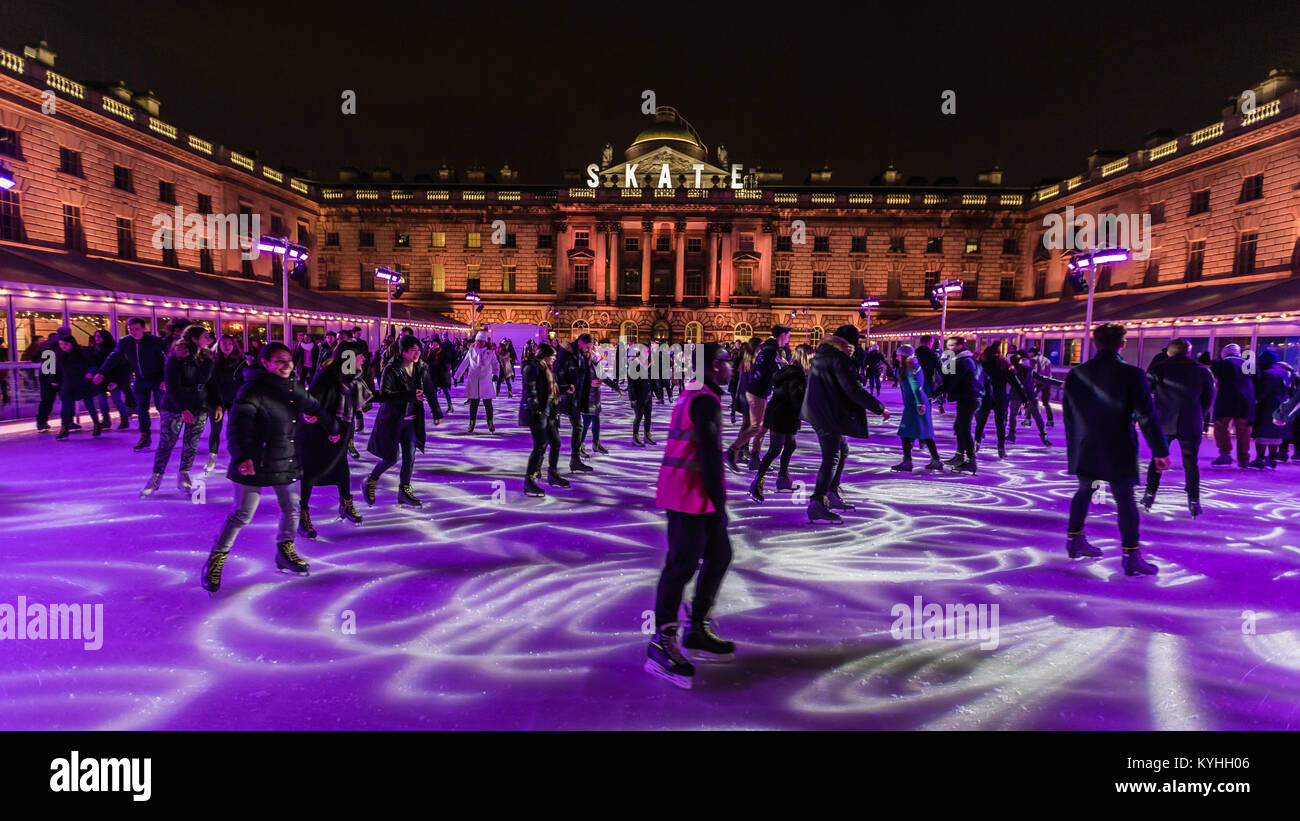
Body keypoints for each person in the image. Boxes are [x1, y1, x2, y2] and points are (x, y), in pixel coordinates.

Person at [646, 343, 735, 689]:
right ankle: (661, 641)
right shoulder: (704, 400)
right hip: (688, 493)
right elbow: (710, 456)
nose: (733, 368)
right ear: (714, 366)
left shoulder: (696, 393)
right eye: (728, 362)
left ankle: (697, 628)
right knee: (681, 565)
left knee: (720, 554)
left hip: (693, 492)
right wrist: (720, 501)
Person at [201, 342, 321, 594]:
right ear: (264, 363)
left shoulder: (295, 386)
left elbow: (311, 405)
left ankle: (284, 552)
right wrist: (242, 456)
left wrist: (315, 415)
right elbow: (236, 426)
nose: (286, 364)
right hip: (254, 461)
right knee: (243, 513)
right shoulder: (252, 389)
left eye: (288, 359)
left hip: (286, 458)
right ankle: (216, 558)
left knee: (292, 508)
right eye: (278, 360)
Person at [1062, 323, 1169, 576]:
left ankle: (1075, 540)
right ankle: (1131, 555)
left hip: (1086, 442)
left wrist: (1075, 445)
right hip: (1118, 442)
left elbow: (1070, 414)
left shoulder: (1077, 373)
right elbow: (1147, 415)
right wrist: (1160, 450)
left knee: (1084, 491)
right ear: (1123, 343)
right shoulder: (1132, 374)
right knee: (1125, 499)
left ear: (1095, 343)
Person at [801, 325, 890, 523]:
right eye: (855, 343)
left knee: (842, 450)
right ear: (848, 342)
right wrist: (878, 407)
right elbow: (852, 389)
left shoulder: (823, 353)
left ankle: (831, 492)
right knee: (832, 456)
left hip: (820, 410)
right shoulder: (838, 358)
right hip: (827, 413)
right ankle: (817, 502)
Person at [298, 340, 368, 536]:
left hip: (342, 429)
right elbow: (311, 404)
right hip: (320, 432)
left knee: (341, 468)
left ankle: (346, 504)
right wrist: (330, 428)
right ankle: (302, 513)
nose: (363, 358)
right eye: (360, 355)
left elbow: (363, 401)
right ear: (349, 358)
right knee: (310, 472)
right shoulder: (327, 377)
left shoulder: (353, 378)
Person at [1141, 338, 1213, 517]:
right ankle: (1193, 500)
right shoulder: (1202, 371)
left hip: (1163, 422)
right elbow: (1208, 398)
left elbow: (1144, 393)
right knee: (1191, 463)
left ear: (1169, 352)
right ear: (1189, 352)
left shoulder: (1158, 368)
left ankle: (1150, 494)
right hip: (1191, 423)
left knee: (1157, 459)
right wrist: (1198, 415)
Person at [143, 326, 216, 496]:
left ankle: (184, 474)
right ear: (194, 339)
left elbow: (211, 384)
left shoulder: (207, 359)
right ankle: (156, 476)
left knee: (191, 442)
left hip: (199, 406)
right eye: (205, 336)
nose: (209, 338)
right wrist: (182, 408)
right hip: (175, 407)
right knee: (167, 441)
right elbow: (172, 386)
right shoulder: (176, 358)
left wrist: (217, 403)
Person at [364, 335, 432, 508]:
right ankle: (371, 480)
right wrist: (410, 395)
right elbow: (385, 396)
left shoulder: (418, 368)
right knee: (390, 458)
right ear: (404, 352)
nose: (417, 354)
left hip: (411, 420)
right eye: (413, 350)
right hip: (393, 419)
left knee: (410, 456)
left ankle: (404, 491)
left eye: (419, 350)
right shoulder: (391, 369)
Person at [93, 317, 168, 451]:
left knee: (160, 407)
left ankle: (167, 435)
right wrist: (101, 372)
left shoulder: (155, 342)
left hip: (157, 379)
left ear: (144, 328)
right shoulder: (125, 342)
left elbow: (166, 360)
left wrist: (165, 379)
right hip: (140, 379)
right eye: (130, 329)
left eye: (136, 329)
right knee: (141, 408)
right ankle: (145, 436)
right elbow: (113, 357)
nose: (133, 332)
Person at [749, 343, 812, 501]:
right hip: (782, 415)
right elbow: (796, 399)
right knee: (775, 450)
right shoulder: (797, 376)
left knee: (790, 445)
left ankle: (783, 478)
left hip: (783, 414)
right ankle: (757, 482)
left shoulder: (789, 372)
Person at [727, 324, 789, 472]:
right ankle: (732, 451)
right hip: (757, 393)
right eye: (788, 336)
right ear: (782, 335)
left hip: (759, 392)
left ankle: (754, 457)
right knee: (755, 427)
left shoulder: (768, 349)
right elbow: (776, 373)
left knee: (762, 427)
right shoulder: (770, 351)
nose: (788, 339)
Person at [519, 343, 567, 496]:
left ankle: (552, 473)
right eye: (551, 356)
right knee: (539, 446)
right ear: (544, 355)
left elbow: (550, 388)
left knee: (555, 442)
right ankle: (529, 480)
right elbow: (530, 391)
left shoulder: (548, 369)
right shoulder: (532, 368)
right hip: (537, 412)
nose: (554, 359)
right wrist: (537, 409)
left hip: (549, 411)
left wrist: (565, 389)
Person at [891, 344, 943, 472]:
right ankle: (935, 460)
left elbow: (916, 387)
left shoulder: (911, 368)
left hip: (916, 404)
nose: (897, 357)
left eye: (898, 355)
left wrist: (920, 404)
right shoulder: (908, 367)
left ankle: (908, 461)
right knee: (922, 432)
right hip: (914, 403)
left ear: (903, 356)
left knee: (908, 432)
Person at [974, 344, 1027, 460]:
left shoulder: (983, 364)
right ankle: (1001, 448)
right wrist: (1024, 397)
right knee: (1000, 424)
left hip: (986, 397)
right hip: (1000, 397)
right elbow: (1015, 382)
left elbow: (975, 378)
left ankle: (976, 443)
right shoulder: (1005, 365)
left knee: (981, 422)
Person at [554, 333, 597, 473]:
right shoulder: (567, 353)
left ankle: (575, 460)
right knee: (550, 431)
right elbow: (557, 372)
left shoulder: (581, 355)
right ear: (580, 343)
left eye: (590, 347)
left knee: (578, 426)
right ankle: (541, 464)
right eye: (586, 347)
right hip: (563, 397)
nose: (588, 349)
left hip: (575, 397)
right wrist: (565, 386)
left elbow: (583, 374)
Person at [941, 337, 984, 473]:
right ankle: (960, 455)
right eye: (948, 345)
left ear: (960, 346)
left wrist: (936, 392)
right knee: (959, 426)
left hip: (969, 398)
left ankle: (971, 460)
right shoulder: (963, 359)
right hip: (968, 397)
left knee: (964, 428)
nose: (949, 347)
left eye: (952, 345)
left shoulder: (963, 361)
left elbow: (951, 379)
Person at [1209, 343, 1255, 468]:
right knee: (1243, 429)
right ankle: (1244, 459)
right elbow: (1256, 380)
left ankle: (1225, 454)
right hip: (1246, 400)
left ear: (1224, 353)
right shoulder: (1249, 364)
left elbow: (1211, 377)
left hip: (1226, 399)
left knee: (1221, 425)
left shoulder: (1222, 363)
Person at [206, 335, 244, 473]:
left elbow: (245, 380)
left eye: (229, 343)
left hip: (235, 399)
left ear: (234, 345)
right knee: (215, 429)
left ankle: (235, 455)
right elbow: (209, 382)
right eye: (223, 343)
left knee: (234, 429)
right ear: (218, 345)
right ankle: (212, 457)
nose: (226, 346)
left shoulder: (241, 361)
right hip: (217, 400)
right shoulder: (212, 361)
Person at [52, 334, 99, 440]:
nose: (63, 346)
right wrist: (55, 379)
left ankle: (96, 424)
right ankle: (64, 428)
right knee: (65, 408)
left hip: (83, 383)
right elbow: (58, 369)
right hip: (68, 384)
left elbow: (92, 364)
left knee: (89, 406)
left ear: (72, 344)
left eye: (66, 344)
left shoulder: (81, 353)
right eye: (61, 344)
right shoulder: (60, 355)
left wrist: (90, 373)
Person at [1250, 348, 1290, 469]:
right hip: (1283, 405)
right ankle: (1272, 459)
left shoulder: (1267, 373)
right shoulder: (1285, 372)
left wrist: (1256, 400)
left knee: (1262, 432)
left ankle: (1260, 458)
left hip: (1268, 405)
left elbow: (1264, 391)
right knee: (1276, 434)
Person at [1007, 352, 1056, 448]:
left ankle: (1012, 434)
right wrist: (1057, 382)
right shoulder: (1029, 369)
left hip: (1017, 394)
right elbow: (1041, 377)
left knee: (1013, 415)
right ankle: (1044, 435)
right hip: (1031, 394)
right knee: (1037, 415)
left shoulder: (1011, 371)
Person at [454, 331, 499, 433]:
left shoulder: (490, 352)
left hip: (486, 380)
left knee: (488, 404)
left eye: (482, 341)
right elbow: (464, 363)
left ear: (485, 341)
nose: (479, 343)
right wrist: (457, 375)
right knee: (474, 404)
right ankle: (471, 423)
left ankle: (490, 422)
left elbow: (496, 364)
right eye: (478, 340)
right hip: (473, 380)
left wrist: (496, 374)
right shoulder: (471, 351)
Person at [89, 329, 133, 430]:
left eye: (99, 336)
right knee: (101, 400)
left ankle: (124, 419)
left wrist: (116, 381)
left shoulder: (115, 349)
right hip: (101, 378)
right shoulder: (96, 349)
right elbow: (94, 364)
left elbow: (121, 366)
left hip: (114, 377)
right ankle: (106, 420)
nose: (97, 339)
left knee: (117, 399)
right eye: (96, 336)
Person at [627, 343, 657, 446]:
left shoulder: (648, 364)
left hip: (647, 395)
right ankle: (635, 437)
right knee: (639, 416)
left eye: (648, 352)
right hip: (638, 395)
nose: (647, 353)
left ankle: (647, 435)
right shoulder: (634, 364)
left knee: (648, 417)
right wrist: (632, 398)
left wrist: (657, 393)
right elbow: (631, 383)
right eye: (645, 351)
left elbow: (652, 380)